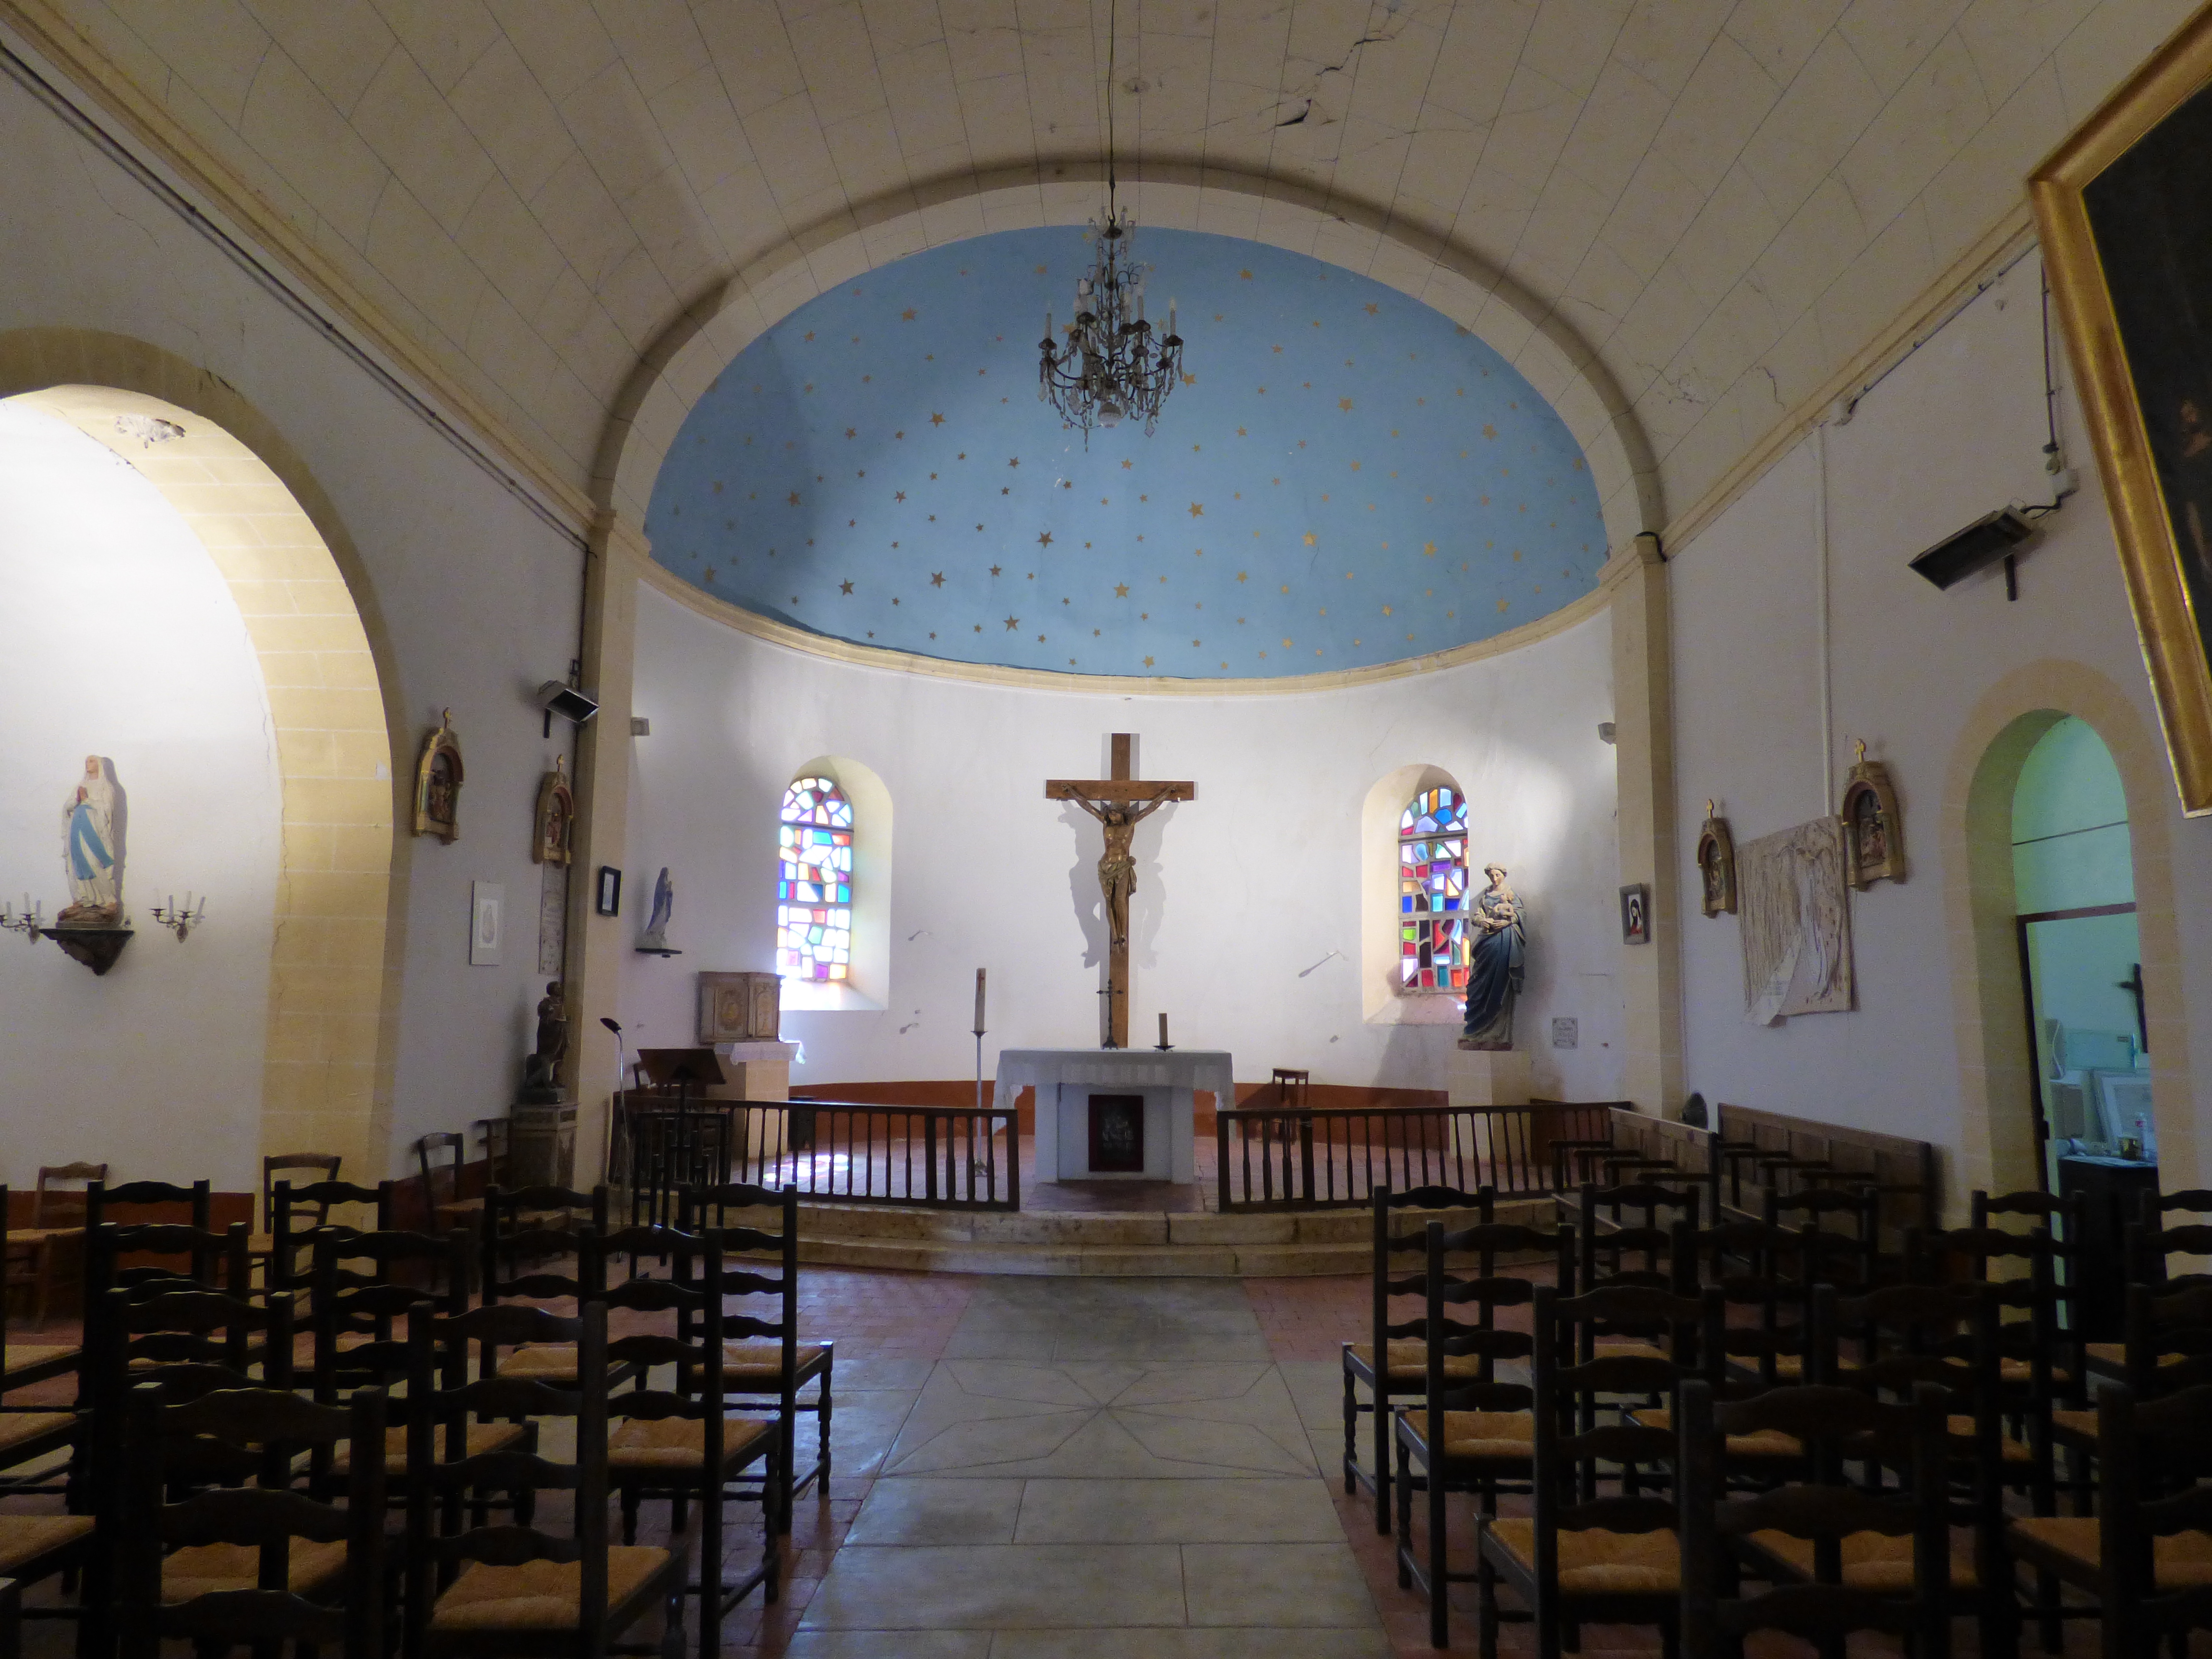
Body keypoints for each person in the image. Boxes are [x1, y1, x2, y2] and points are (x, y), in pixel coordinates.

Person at [1069, 793, 1168, 950]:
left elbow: (1151, 808)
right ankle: (1115, 935)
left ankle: (1123, 934)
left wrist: (1167, 794)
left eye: (1115, 813)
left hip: (1122, 867)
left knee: (1120, 900)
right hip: (1105, 867)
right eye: (1110, 813)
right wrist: (1072, 794)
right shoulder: (1106, 825)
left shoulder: (1130, 825)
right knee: (1109, 902)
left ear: (1122, 813)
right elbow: (1088, 807)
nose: (1111, 816)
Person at [1461, 864, 1526, 1049]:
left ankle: (1497, 1035)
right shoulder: (1486, 895)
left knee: (1500, 985)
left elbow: (1520, 914)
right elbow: (1477, 916)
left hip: (1504, 941)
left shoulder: (1511, 894)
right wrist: (1484, 920)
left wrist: (1507, 923)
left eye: (1497, 875)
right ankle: (1477, 1032)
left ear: (1503, 875)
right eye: (1491, 876)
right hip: (1486, 943)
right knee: (1478, 985)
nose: (1494, 879)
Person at [60, 756, 124, 922]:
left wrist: (88, 800)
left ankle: (108, 900)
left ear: (100, 765)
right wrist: (77, 799)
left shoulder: (106, 787)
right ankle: (84, 899)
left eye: (92, 761)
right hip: (77, 828)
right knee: (77, 863)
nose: (88, 764)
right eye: (87, 761)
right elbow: (67, 808)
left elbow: (107, 809)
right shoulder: (80, 786)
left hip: (94, 830)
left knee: (94, 863)